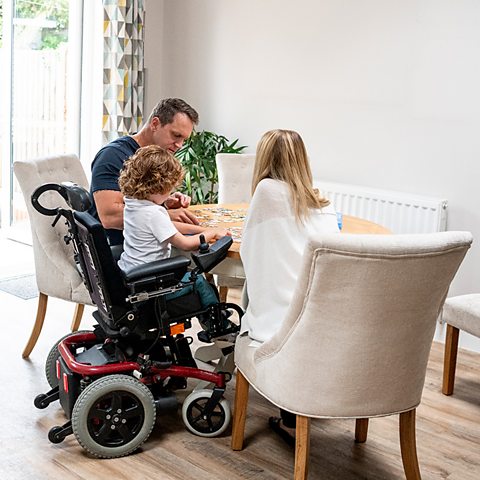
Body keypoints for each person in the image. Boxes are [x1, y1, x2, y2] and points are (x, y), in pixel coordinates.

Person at [239, 129, 340, 439]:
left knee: (248, 302)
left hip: (279, 323)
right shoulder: (321, 201)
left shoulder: (266, 191)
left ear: (265, 159)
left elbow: (248, 249)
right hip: (320, 320)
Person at [117, 145, 230, 311]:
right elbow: (185, 244)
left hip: (132, 277)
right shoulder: (154, 212)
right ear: (157, 186)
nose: (171, 192)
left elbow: (166, 227)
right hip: (152, 284)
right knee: (198, 281)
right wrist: (211, 232)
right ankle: (218, 325)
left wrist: (202, 230)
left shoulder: (133, 204)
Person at [89, 98, 201, 246]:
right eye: (176, 135)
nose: (180, 145)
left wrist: (164, 202)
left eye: (184, 140)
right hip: (121, 255)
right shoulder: (112, 156)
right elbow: (109, 217)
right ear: (155, 124)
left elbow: (134, 203)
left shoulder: (156, 158)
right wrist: (164, 215)